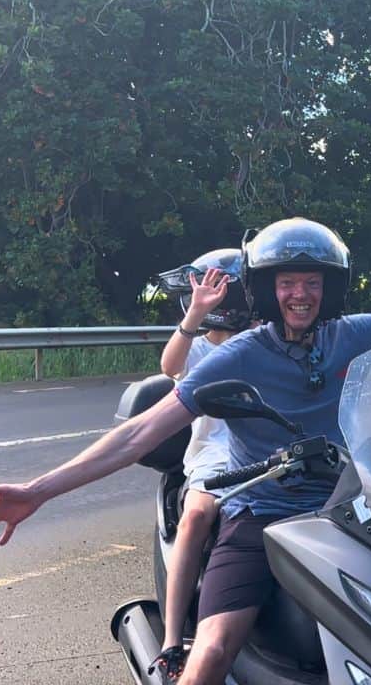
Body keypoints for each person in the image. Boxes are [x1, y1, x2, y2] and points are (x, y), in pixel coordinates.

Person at [0, 217, 371, 685]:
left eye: (311, 282)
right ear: (266, 290)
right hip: (262, 513)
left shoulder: (354, 333)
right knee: (212, 652)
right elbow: (142, 431)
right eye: (287, 283)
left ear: (329, 288)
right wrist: (36, 491)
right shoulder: (243, 353)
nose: (300, 294)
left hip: (354, 509)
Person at [152, 248, 253, 682]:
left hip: (268, 448)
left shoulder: (263, 336)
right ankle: (173, 637)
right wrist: (193, 317)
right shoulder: (197, 348)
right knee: (195, 514)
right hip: (215, 452)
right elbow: (170, 365)